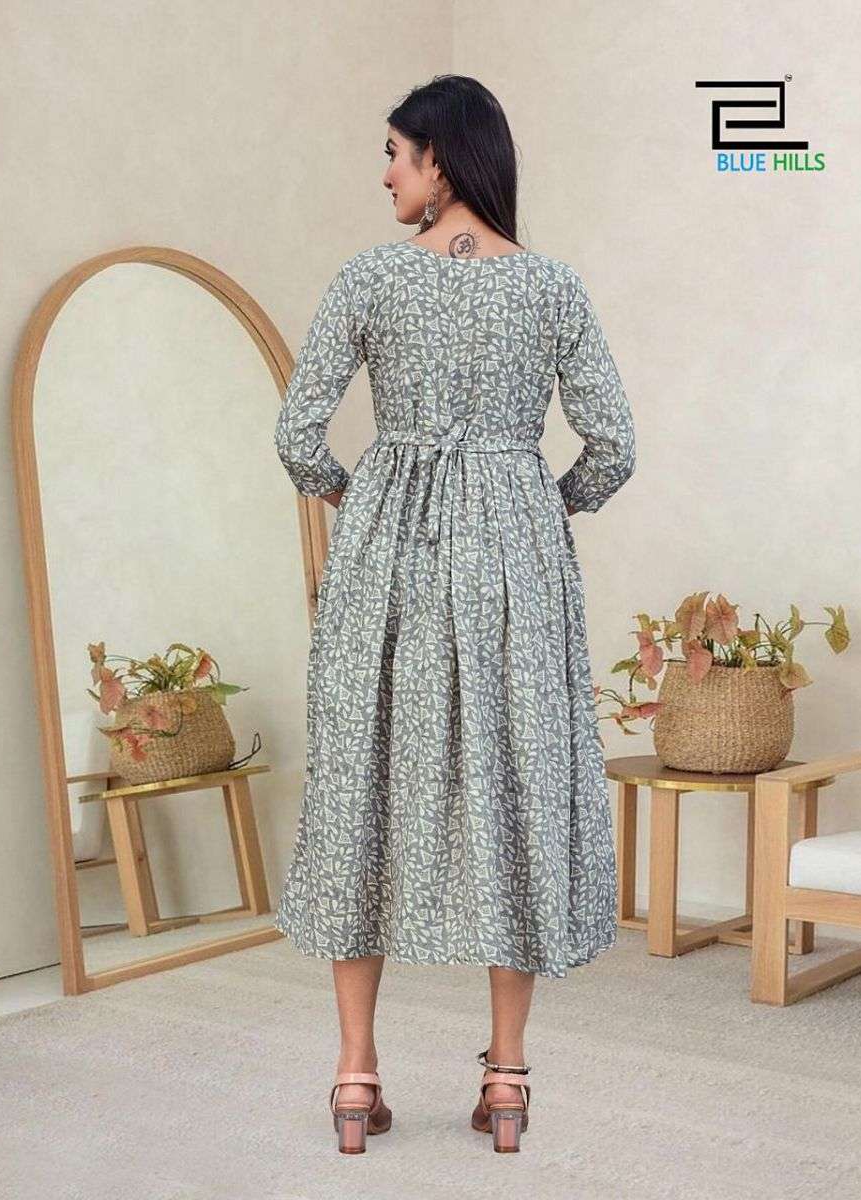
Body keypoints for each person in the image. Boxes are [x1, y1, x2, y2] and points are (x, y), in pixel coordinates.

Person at [273, 74, 636, 1154]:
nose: (385, 174)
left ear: (439, 158)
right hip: (515, 564)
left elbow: (297, 435)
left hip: (385, 557)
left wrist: (363, 501)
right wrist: (536, 507)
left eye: (394, 153)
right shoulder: (553, 288)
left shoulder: (371, 277)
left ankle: (354, 1074)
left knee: (361, 782)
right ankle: (508, 1077)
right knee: (515, 784)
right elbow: (614, 447)